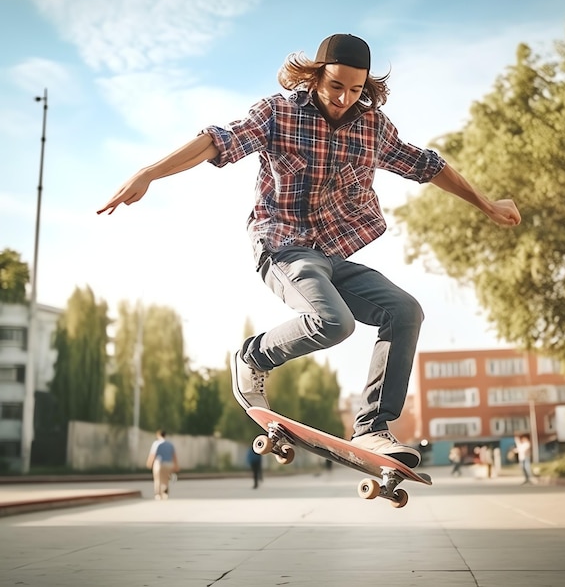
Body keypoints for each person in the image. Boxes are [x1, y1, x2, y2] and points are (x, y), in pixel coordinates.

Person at [99, 33, 521, 469]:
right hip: (283, 248)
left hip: (334, 254)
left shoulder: (373, 127)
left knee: (404, 310)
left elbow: (429, 165)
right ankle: (252, 356)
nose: (344, 98)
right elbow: (216, 141)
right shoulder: (278, 113)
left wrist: (487, 204)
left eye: (356, 90)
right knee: (332, 322)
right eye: (336, 85)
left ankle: (373, 427)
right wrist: (149, 173)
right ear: (316, 75)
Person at [146, 429, 179, 499]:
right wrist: (176, 466)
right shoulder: (170, 444)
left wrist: (149, 463)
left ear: (158, 435)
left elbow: (153, 454)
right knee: (165, 479)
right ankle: (165, 493)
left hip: (159, 463)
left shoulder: (156, 443)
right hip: (168, 464)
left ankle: (157, 494)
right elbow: (174, 456)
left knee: (157, 479)